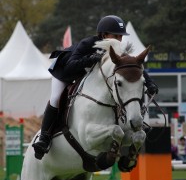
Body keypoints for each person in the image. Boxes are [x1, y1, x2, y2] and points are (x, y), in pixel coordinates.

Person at [33, 15, 158, 160]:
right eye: (116, 35)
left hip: (84, 76)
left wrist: (149, 83)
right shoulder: (88, 44)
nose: (119, 40)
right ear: (104, 35)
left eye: (121, 36)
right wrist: (90, 58)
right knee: (56, 98)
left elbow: (131, 65)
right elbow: (70, 67)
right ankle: (44, 137)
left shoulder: (117, 49)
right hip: (64, 72)